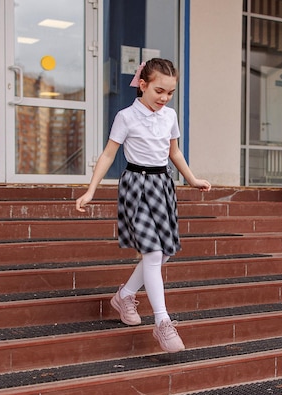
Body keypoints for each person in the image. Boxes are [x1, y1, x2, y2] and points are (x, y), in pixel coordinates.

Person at [75, 58, 211, 353]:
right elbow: (109, 155)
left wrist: (192, 178)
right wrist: (91, 191)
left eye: (170, 93)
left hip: (163, 186)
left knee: (164, 255)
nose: (164, 98)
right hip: (136, 185)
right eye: (159, 91)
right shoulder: (126, 117)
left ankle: (124, 295)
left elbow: (174, 153)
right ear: (143, 85)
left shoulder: (169, 116)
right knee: (153, 252)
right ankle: (162, 322)